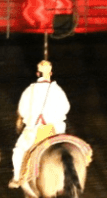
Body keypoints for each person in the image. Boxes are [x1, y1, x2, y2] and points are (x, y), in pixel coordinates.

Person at [9, 60, 70, 188]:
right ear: (51, 73)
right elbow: (66, 107)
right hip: (55, 130)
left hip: (34, 131)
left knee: (18, 151)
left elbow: (22, 110)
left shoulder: (29, 90)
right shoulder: (58, 90)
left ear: (37, 74)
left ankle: (17, 178)